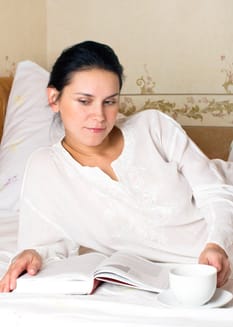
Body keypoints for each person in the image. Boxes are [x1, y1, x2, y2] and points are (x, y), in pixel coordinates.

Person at [0, 40, 232, 293]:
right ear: (54, 99)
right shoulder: (45, 168)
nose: (99, 115)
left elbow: (215, 191)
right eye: (84, 101)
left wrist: (218, 244)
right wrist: (33, 256)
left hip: (222, 240)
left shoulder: (153, 127)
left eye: (109, 101)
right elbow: (49, 244)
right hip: (179, 278)